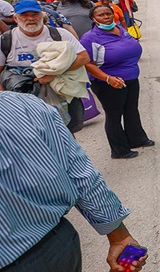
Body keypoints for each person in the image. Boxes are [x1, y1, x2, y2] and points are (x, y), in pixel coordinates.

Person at [0, 91, 147, 272]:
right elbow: (80, 172)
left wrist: (119, 237)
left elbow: (79, 172)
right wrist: (119, 236)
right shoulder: (23, 105)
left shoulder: (23, 105)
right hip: (59, 247)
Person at [0, 0, 89, 133]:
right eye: (24, 15)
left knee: (66, 132)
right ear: (15, 18)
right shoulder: (6, 40)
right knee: (34, 137)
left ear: (42, 15)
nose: (30, 19)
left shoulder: (59, 34)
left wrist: (53, 73)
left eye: (35, 14)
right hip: (24, 98)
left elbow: (83, 57)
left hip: (60, 93)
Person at [80, 4, 153, 159]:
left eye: (108, 13)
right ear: (93, 19)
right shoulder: (89, 38)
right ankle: (119, 150)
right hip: (108, 82)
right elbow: (87, 63)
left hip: (131, 77)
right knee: (114, 115)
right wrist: (108, 78)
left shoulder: (120, 29)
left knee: (131, 109)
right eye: (101, 15)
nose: (106, 17)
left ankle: (137, 138)